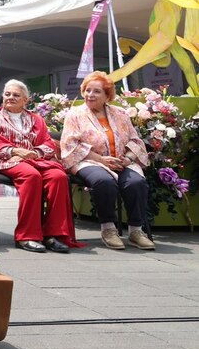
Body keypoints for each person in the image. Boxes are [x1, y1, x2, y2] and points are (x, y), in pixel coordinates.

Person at [0, 79, 82, 253]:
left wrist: (35, 153)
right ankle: (27, 236)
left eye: (16, 95)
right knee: (31, 175)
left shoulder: (36, 119)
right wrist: (15, 151)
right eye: (7, 94)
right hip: (5, 160)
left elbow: (48, 144)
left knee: (58, 177)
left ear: (26, 100)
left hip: (35, 159)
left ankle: (53, 234)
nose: (10, 97)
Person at [59, 71, 154, 250]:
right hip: (88, 161)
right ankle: (108, 229)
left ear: (107, 95)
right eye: (87, 90)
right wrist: (101, 159)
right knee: (104, 182)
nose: (90, 95)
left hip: (120, 160)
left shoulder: (120, 114)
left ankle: (135, 231)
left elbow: (135, 140)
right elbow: (70, 144)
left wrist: (127, 159)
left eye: (96, 91)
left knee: (136, 183)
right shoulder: (75, 114)